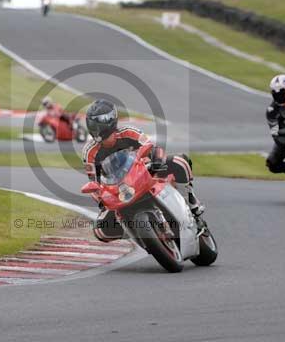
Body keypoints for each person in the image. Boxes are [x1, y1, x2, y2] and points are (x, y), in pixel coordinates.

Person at [82, 99, 205, 242]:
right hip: (119, 190)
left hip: (145, 172)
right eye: (92, 124)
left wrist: (156, 158)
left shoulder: (128, 132)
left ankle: (191, 206)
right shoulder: (89, 152)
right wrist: (101, 199)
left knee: (180, 162)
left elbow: (149, 145)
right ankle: (137, 234)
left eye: (99, 124)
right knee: (100, 230)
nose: (97, 129)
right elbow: (94, 182)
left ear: (111, 120)